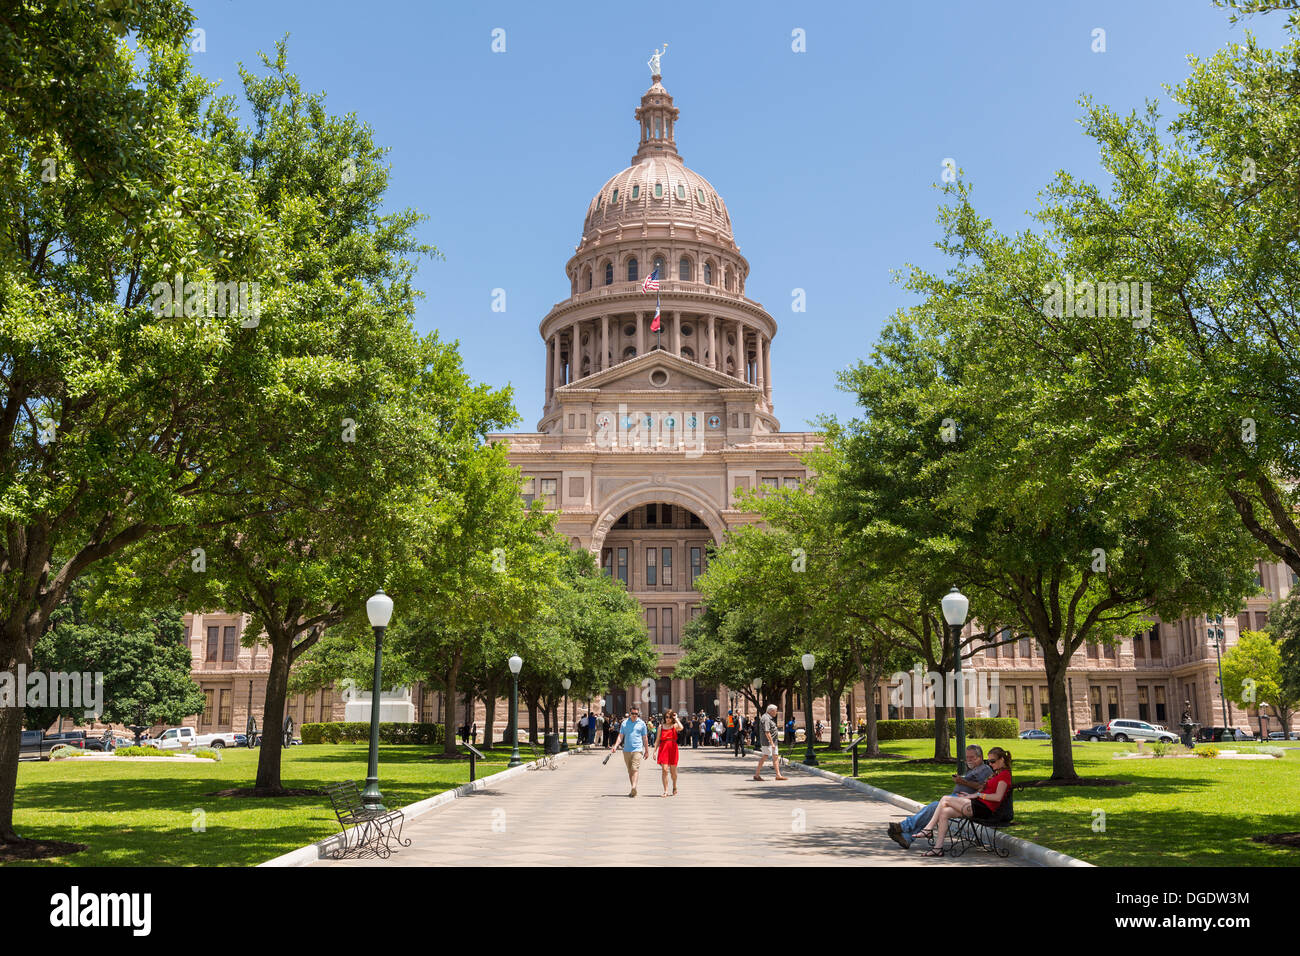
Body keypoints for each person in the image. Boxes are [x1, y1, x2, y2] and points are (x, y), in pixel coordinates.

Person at [887, 745, 991, 849]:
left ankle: (903, 827)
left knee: (934, 807)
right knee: (933, 809)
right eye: (967, 757)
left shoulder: (984, 769)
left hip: (966, 802)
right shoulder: (973, 769)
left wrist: (963, 782)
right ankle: (907, 837)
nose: (968, 760)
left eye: (971, 757)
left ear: (980, 757)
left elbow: (982, 787)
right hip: (957, 799)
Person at [918, 747, 1012, 857]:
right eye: (989, 761)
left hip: (985, 810)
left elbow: (997, 797)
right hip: (979, 805)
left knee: (945, 799)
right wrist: (970, 796)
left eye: (993, 761)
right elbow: (983, 791)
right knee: (945, 812)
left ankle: (928, 829)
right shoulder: (996, 773)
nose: (990, 764)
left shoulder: (1004, 775)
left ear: (1002, 760)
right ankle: (937, 848)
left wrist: (978, 795)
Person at [610, 706, 651, 797]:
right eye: (633, 714)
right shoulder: (624, 723)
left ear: (638, 714)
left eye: (636, 714)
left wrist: (647, 751)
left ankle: (634, 787)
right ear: (630, 714)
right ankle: (633, 789)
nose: (634, 715)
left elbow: (645, 738)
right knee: (630, 771)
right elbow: (621, 736)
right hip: (626, 750)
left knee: (635, 769)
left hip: (637, 749)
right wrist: (615, 746)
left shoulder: (642, 724)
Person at [753, 704, 788, 781]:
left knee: (775, 757)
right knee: (765, 756)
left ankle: (778, 775)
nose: (776, 712)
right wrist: (771, 743)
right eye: (776, 711)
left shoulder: (769, 718)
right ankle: (756, 775)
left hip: (773, 742)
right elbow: (767, 731)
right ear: (771, 711)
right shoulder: (766, 718)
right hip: (767, 742)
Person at [656, 709, 684, 796]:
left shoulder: (674, 726)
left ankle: (674, 786)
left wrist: (676, 719)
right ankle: (666, 791)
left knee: (673, 772)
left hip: (673, 749)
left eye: (670, 717)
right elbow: (657, 740)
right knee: (664, 770)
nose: (668, 719)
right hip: (663, 748)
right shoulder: (661, 727)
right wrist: (654, 751)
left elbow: (681, 727)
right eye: (666, 717)